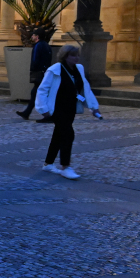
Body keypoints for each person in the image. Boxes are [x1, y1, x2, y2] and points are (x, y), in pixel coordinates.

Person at [35, 45, 102, 180]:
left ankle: (48, 163)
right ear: (65, 56)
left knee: (58, 135)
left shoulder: (78, 69)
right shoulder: (54, 70)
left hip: (70, 108)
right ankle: (65, 166)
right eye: (73, 55)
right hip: (57, 108)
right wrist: (43, 109)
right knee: (68, 134)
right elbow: (42, 89)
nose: (76, 58)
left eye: (77, 55)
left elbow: (84, 90)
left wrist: (93, 107)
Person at [17, 29, 52, 121]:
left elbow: (35, 60)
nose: (32, 37)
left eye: (33, 35)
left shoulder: (39, 45)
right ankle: (27, 112)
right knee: (35, 93)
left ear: (37, 36)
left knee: (36, 93)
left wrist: (34, 69)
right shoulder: (46, 45)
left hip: (39, 73)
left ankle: (47, 115)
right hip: (44, 72)